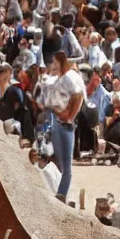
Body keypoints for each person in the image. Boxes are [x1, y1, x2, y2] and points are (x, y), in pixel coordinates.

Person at [44, 51, 84, 202]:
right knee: (57, 160)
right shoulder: (60, 78)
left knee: (66, 164)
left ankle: (62, 194)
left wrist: (69, 115)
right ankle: (57, 191)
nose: (53, 65)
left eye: (55, 62)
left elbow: (78, 96)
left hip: (64, 124)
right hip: (56, 120)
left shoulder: (70, 77)